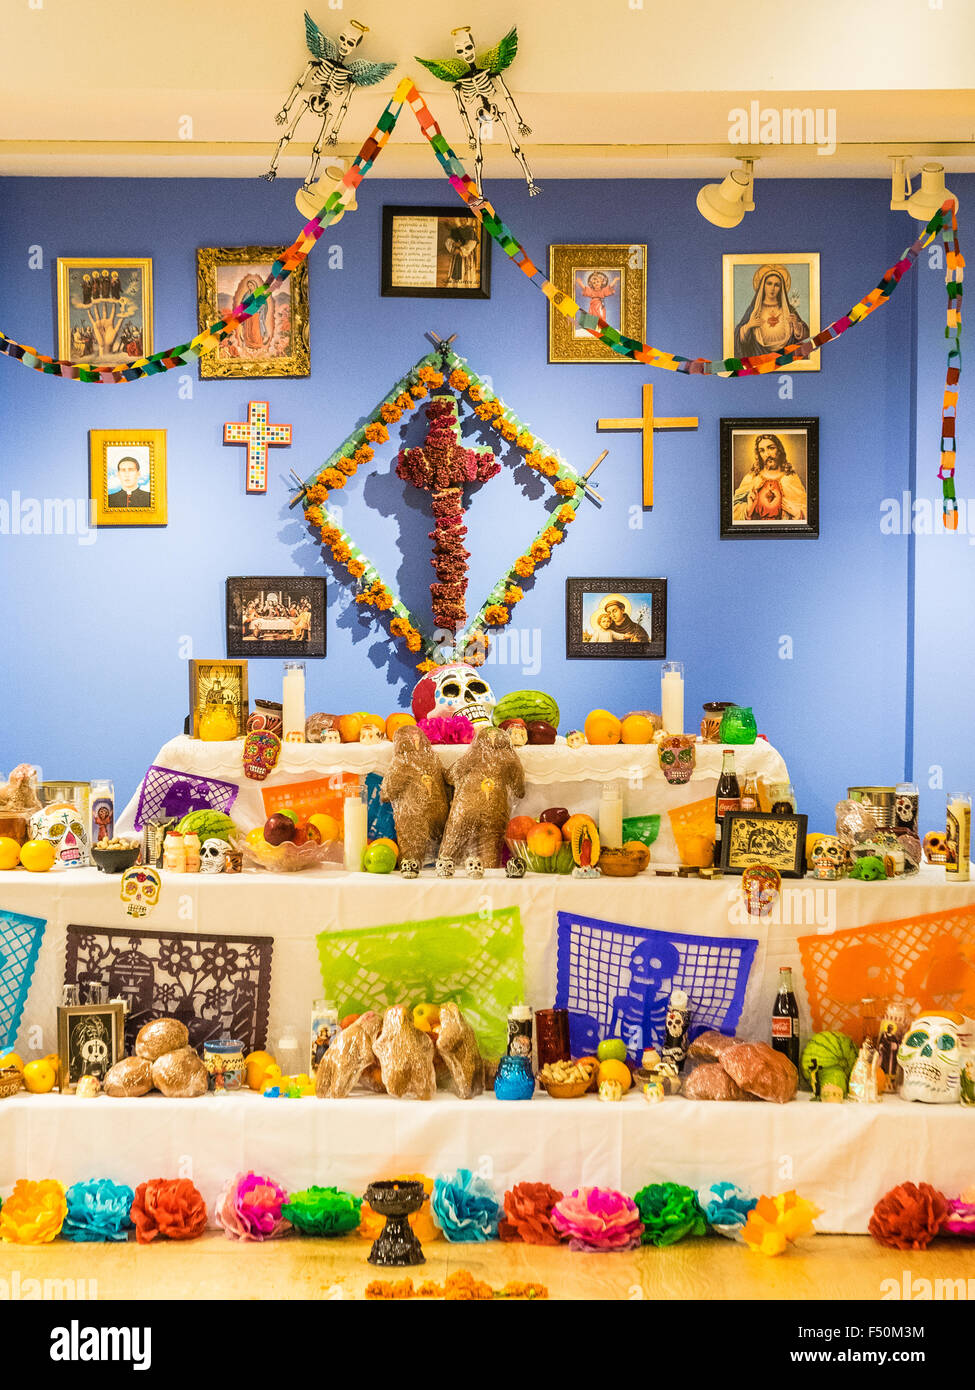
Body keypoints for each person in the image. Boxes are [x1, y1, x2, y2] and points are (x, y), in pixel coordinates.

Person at [734, 263, 809, 359]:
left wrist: (797, 327)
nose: (772, 288)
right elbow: (738, 339)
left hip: (785, 358)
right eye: (769, 283)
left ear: (781, 288)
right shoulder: (754, 310)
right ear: (763, 285)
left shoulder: (789, 310)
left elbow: (806, 339)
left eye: (777, 285)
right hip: (759, 357)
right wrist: (749, 325)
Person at [732, 433, 807, 522]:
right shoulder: (751, 478)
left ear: (779, 450)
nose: (767, 454)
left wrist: (799, 513)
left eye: (771, 448)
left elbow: (808, 510)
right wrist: (748, 510)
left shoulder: (791, 478)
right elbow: (733, 512)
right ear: (759, 454)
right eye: (762, 450)